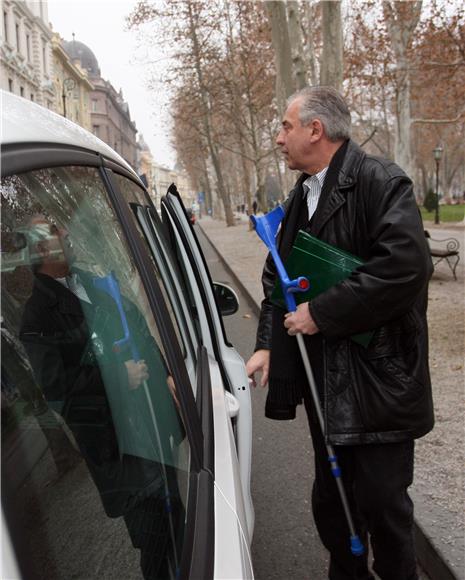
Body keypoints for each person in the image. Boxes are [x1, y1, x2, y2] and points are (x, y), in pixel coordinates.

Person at [246, 86, 434, 580]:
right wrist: (268, 343)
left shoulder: (381, 182)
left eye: (286, 127)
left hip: (379, 380)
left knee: (383, 507)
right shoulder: (299, 196)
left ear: (316, 129)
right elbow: (277, 279)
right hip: (325, 380)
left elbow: (404, 267)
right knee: (334, 501)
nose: (278, 138)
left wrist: (322, 313)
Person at [19, 214, 185, 579]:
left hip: (153, 425)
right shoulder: (37, 317)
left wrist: (169, 374)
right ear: (42, 248)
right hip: (120, 448)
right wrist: (114, 376)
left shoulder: (93, 283)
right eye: (53, 230)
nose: (65, 231)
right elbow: (58, 391)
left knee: (178, 522)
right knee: (155, 540)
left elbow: (138, 325)